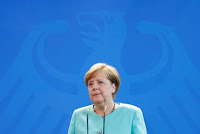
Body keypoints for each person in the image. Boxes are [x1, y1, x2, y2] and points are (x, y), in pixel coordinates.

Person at [68, 63, 147, 134]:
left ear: (113, 87)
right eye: (90, 84)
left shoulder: (132, 113)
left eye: (100, 82)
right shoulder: (78, 115)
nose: (94, 87)